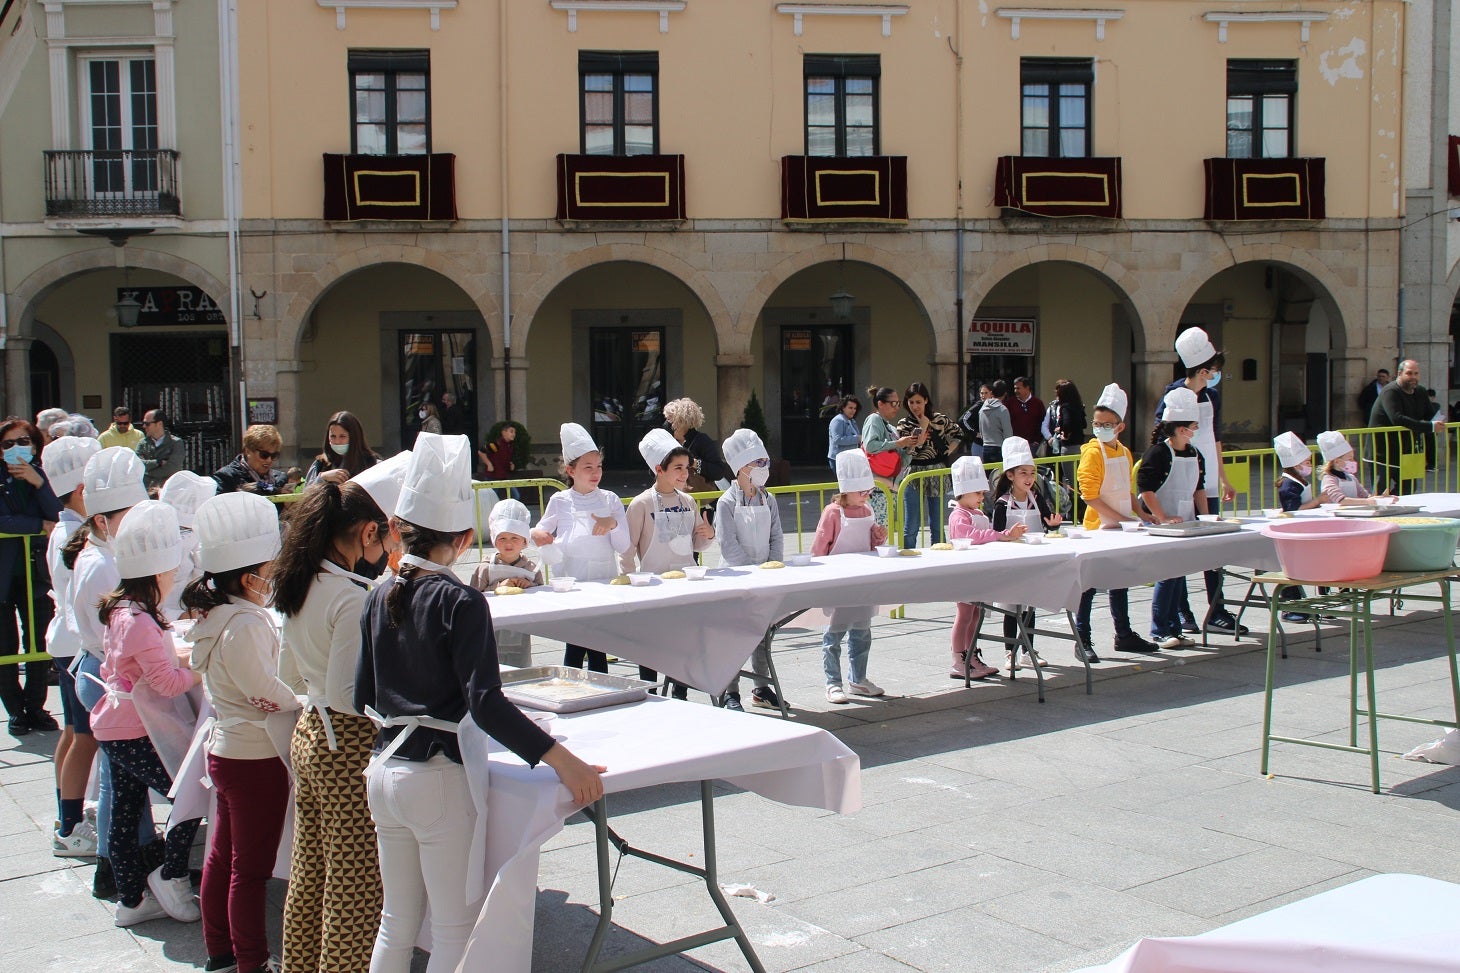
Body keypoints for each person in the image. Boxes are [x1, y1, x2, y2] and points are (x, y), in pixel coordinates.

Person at [356, 433, 604, 973]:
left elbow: (361, 695)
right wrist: (564, 759)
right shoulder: (460, 599)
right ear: (467, 539)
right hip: (436, 775)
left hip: (381, 768)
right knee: (451, 927)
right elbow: (486, 703)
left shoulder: (376, 592)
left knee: (396, 921)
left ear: (398, 531)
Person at [273, 478, 396, 973]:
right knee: (356, 886)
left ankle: (302, 966)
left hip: (309, 731)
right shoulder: (351, 595)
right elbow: (351, 696)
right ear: (369, 533)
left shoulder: (302, 580)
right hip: (344, 743)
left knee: (310, 872)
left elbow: (287, 673)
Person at [186, 491, 301, 973]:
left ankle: (220, 950)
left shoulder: (218, 614)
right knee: (248, 870)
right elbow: (263, 687)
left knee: (223, 857)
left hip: (229, 750)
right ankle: (251, 961)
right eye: (269, 567)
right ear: (248, 575)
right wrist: (303, 700)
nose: (273, 575)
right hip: (254, 754)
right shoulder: (246, 622)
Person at [91, 501, 204, 928]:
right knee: (185, 797)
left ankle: (131, 899)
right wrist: (200, 669)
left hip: (114, 726)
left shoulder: (121, 611)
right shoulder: (139, 620)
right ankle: (170, 874)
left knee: (123, 811)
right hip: (137, 729)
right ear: (158, 572)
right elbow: (168, 684)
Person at [66, 446, 154, 898]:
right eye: (128, 515)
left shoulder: (102, 554)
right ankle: (128, 872)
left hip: (101, 671)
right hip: (104, 675)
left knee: (120, 783)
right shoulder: (104, 565)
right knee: (125, 791)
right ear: (101, 521)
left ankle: (120, 870)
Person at [1157, 328, 1245, 636]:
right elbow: (1160, 438)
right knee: (1181, 552)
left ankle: (1217, 609)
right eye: (1214, 369)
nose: (1217, 374)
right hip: (1180, 480)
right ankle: (1182, 612)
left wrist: (1224, 478)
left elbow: (1215, 439)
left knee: (1213, 549)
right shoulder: (1173, 395)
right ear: (1203, 369)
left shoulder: (1213, 396)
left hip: (1206, 482)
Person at [40, 435, 101, 857]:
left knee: (71, 732)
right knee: (85, 738)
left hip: (64, 639)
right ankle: (70, 823)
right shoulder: (74, 537)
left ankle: (67, 814)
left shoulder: (64, 530)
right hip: (77, 643)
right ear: (82, 490)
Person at [532, 423, 631, 672]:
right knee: (574, 645)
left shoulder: (610, 500)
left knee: (598, 645)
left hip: (602, 580)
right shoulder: (560, 500)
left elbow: (624, 545)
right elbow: (541, 531)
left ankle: (604, 693)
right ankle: (571, 690)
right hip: (571, 582)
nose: (595, 473)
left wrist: (613, 524)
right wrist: (536, 534)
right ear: (570, 470)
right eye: (588, 467)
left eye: (598, 467)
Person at [623, 429, 715, 693]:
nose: (684, 474)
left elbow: (697, 543)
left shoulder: (688, 501)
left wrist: (708, 534)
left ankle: (680, 692)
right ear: (658, 469)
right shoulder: (641, 504)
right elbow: (627, 548)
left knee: (683, 642)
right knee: (649, 644)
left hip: (686, 582)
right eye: (678, 468)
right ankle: (648, 691)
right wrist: (629, 581)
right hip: (652, 585)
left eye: (686, 467)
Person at [1074, 385, 1159, 660]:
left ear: (1120, 426)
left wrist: (1142, 514)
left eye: (1107, 424)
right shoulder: (1092, 453)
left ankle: (1123, 634)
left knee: (1119, 581)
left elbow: (1127, 490)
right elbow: (1090, 496)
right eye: (1097, 424)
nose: (1100, 428)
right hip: (1097, 528)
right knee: (1088, 586)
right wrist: (1125, 519)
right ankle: (1082, 639)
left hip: (1121, 527)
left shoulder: (1124, 452)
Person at [714, 429, 784, 711]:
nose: (764, 468)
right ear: (742, 467)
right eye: (760, 463)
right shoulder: (726, 503)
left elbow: (777, 536)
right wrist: (752, 573)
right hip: (737, 578)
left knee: (763, 636)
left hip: (765, 576)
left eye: (766, 462)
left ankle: (762, 687)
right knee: (735, 639)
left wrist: (774, 566)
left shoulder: (768, 498)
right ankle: (730, 692)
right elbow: (727, 545)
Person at [0, 417, 61, 737]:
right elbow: (4, 520)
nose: (16, 449)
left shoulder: (43, 475)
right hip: (4, 574)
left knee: (40, 639)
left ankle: (36, 706)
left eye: (23, 441)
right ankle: (15, 710)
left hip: (36, 572)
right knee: (6, 645)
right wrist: (36, 526)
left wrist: (37, 483)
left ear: (35, 444)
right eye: (8, 444)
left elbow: (57, 515)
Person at [812, 450, 888, 705]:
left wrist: (879, 537)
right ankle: (833, 683)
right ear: (845, 490)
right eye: (861, 492)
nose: (866, 495)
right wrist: (818, 574)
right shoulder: (833, 512)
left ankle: (858, 678)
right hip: (837, 579)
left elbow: (870, 543)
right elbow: (820, 546)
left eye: (868, 491)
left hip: (862, 579)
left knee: (862, 631)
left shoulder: (866, 510)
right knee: (833, 635)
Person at [1139, 387, 1208, 649]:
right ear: (1181, 429)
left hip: (1187, 523)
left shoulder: (1195, 454)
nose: (1194, 432)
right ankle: (1159, 630)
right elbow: (1145, 489)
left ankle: (1175, 628)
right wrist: (1162, 517)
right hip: (1163, 527)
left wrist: (1207, 516)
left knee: (1179, 577)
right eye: (1193, 427)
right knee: (1167, 576)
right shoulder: (1158, 453)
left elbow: (1199, 488)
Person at [946, 456, 1023, 680]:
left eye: (982, 493)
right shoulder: (958, 515)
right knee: (964, 615)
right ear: (963, 493)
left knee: (976, 614)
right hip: (964, 572)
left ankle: (971, 654)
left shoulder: (977, 513)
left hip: (979, 571)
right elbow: (972, 537)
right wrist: (1000, 536)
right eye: (978, 493)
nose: (982, 498)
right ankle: (958, 657)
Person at [991, 437, 1061, 669]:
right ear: (1010, 475)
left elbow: (1047, 522)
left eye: (1032, 473)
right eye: (1023, 473)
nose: (1029, 478)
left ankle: (1028, 650)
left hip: (1033, 560)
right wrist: (1007, 534)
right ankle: (1010, 652)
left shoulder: (1037, 498)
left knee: (1030, 606)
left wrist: (1054, 525)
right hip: (1011, 562)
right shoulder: (1002, 503)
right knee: (1011, 608)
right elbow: (996, 533)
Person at [469, 499, 541, 668]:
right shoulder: (485, 568)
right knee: (493, 668)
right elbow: (473, 597)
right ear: (494, 540)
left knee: (520, 669)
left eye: (514, 538)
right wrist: (498, 588)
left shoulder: (532, 569)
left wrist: (531, 587)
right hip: (491, 629)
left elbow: (542, 597)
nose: (508, 543)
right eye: (502, 538)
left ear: (524, 541)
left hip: (520, 630)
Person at [896, 382, 962, 547]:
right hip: (913, 472)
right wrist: (923, 426)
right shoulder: (904, 424)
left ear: (926, 400)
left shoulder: (940, 419)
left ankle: (939, 557)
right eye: (911, 402)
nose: (915, 406)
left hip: (936, 471)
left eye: (918, 402)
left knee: (938, 523)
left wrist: (949, 449)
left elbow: (959, 433)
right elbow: (910, 451)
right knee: (911, 524)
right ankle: (908, 556)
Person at [1369, 359, 1445, 494]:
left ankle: (1394, 510)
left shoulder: (1420, 391)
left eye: (1416, 373)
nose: (1413, 377)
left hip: (1408, 450)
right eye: (1409, 373)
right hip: (1383, 451)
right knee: (1380, 491)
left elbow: (1431, 415)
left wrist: (1438, 421)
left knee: (1408, 489)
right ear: (1400, 373)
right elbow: (1397, 418)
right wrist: (1430, 427)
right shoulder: (1390, 391)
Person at [156, 471, 218, 619]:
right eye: (181, 530)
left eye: (188, 530)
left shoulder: (196, 538)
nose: (184, 536)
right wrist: (178, 616)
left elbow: (202, 575)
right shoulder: (150, 540)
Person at [1273, 431, 1321, 622]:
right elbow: (1294, 509)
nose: (1309, 466)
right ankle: (1289, 607)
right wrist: (1318, 501)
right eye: (1307, 462)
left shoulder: (1298, 481)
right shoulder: (1288, 485)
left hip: (1301, 529)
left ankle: (1299, 604)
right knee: (1290, 572)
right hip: (1292, 531)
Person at [861, 386, 918, 528]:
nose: (897, 407)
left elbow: (901, 461)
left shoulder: (891, 428)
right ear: (880, 403)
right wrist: (898, 443)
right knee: (877, 533)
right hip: (877, 489)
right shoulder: (874, 419)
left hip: (889, 488)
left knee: (883, 533)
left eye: (898, 403)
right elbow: (870, 446)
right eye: (893, 403)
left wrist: (911, 446)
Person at [663, 397, 732, 492]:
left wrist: (693, 463)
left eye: (670, 420)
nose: (667, 424)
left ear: (682, 421)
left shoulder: (701, 440)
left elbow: (718, 471)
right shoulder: (668, 442)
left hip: (699, 501)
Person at [304, 410, 379, 486]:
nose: (337, 441)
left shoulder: (372, 463)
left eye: (342, 436)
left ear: (354, 437)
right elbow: (307, 494)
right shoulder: (320, 464)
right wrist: (323, 477)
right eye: (333, 436)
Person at [214, 424, 289, 496]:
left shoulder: (281, 479)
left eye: (274, 456)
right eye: (264, 455)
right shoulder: (227, 477)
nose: (269, 460)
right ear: (248, 451)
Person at [1316, 430, 1377, 504]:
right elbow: (1341, 501)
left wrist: (1381, 498)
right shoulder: (1329, 479)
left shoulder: (1351, 477)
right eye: (1350, 459)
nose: (1353, 461)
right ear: (1337, 462)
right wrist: (1367, 501)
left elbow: (1366, 496)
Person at [136, 410, 186, 492]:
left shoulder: (176, 443)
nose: (144, 426)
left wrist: (148, 471)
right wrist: (158, 462)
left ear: (159, 424)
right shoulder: (142, 443)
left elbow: (172, 468)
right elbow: (138, 464)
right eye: (143, 423)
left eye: (147, 424)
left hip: (169, 490)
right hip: (146, 490)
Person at [1043, 379, 1087, 457]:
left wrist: (1065, 435)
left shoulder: (1065, 407)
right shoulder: (1079, 407)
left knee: (1068, 469)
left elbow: (1067, 423)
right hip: (1080, 445)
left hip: (1069, 447)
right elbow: (1083, 424)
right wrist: (1061, 428)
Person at [1004, 377, 1045, 449]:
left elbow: (1043, 422)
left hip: (1033, 444)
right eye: (1015, 388)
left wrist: (1037, 441)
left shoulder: (1038, 403)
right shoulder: (1010, 403)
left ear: (1027, 388)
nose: (1016, 391)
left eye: (1018, 388)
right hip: (1015, 444)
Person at [978, 382, 1013, 466]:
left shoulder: (982, 409)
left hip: (985, 447)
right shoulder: (1002, 409)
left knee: (989, 476)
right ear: (1005, 394)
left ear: (992, 393)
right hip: (1000, 448)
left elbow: (981, 430)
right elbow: (1008, 433)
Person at [826, 395, 862, 469]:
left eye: (855, 408)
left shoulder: (852, 421)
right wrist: (858, 438)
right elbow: (837, 440)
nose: (853, 410)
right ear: (843, 407)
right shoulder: (838, 420)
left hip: (850, 459)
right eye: (850, 408)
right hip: (838, 459)